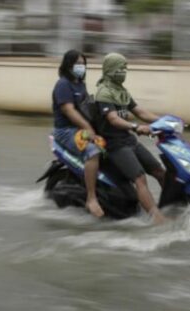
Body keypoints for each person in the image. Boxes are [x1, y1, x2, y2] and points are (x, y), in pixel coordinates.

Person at [94, 53, 167, 224]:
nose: (124, 72)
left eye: (125, 68)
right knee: (140, 178)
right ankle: (157, 218)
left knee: (160, 172)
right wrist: (135, 127)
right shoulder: (103, 93)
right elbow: (113, 119)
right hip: (114, 144)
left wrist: (165, 121)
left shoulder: (122, 91)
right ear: (111, 70)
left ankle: (171, 206)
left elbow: (140, 112)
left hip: (128, 140)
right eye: (121, 68)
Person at [51, 49, 105, 218]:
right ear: (68, 65)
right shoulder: (63, 84)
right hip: (66, 131)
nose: (81, 67)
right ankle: (91, 198)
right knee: (93, 151)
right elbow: (69, 110)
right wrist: (88, 128)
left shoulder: (80, 84)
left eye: (83, 64)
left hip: (80, 129)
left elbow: (87, 106)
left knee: (107, 143)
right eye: (77, 64)